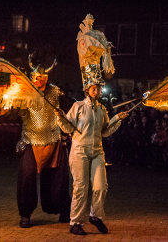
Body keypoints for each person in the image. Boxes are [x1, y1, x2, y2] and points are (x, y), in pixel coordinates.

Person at [56, 14, 128, 236]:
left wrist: (117, 119)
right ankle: (75, 222)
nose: (97, 90)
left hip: (97, 151)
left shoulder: (102, 110)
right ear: (87, 89)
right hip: (79, 151)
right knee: (81, 187)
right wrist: (60, 117)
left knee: (100, 186)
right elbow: (68, 128)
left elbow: (105, 132)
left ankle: (95, 215)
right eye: (94, 88)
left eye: (98, 87)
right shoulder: (78, 107)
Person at [0, 55, 71, 228]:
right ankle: (25, 214)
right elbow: (8, 107)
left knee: (58, 181)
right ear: (32, 78)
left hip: (54, 142)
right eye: (36, 78)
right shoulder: (24, 94)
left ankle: (63, 210)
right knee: (26, 178)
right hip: (31, 142)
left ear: (47, 79)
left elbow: (71, 110)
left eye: (42, 78)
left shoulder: (56, 92)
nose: (39, 81)